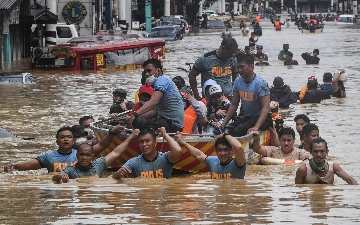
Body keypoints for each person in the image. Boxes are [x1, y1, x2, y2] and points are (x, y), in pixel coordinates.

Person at [3, 125, 125, 173]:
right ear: (57, 141)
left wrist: (111, 133)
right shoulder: (48, 157)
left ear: (73, 140)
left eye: (69, 137)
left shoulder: (83, 154)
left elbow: (102, 146)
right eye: (62, 137)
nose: (66, 140)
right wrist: (12, 166)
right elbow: (27, 165)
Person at [52, 129, 140, 182]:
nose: (84, 157)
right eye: (81, 155)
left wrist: (131, 137)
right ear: (77, 156)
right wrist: (59, 177)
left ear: (92, 157)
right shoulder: (70, 170)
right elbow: (54, 178)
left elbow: (115, 153)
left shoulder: (99, 164)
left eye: (87, 155)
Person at [221, 53, 272, 137]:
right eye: (238, 67)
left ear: (251, 67)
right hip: (248, 117)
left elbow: (266, 107)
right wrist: (223, 124)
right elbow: (234, 104)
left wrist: (256, 127)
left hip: (264, 118)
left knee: (239, 130)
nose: (239, 70)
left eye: (242, 67)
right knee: (229, 129)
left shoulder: (260, 83)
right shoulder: (238, 81)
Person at [129, 58, 184, 133]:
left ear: (158, 71)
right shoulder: (159, 83)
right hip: (167, 122)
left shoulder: (162, 80)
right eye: (145, 72)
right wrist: (135, 116)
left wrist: (135, 114)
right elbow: (155, 111)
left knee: (138, 122)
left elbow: (153, 102)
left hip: (173, 125)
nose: (146, 74)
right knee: (138, 119)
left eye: (149, 70)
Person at [112, 127, 182, 179]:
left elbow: (178, 151)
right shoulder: (134, 162)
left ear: (155, 142)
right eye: (141, 142)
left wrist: (165, 135)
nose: (144, 144)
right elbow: (113, 177)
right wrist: (119, 174)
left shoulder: (165, 158)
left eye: (147, 141)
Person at [174, 132, 246, 179]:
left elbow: (239, 148)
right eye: (219, 150)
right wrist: (183, 142)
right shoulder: (213, 161)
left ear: (231, 150)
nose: (222, 153)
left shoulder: (238, 163)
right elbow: (198, 155)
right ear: (216, 151)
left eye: (225, 150)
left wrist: (225, 134)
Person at [188, 37, 238, 102]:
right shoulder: (205, 59)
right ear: (223, 48)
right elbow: (192, 75)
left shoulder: (233, 59)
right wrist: (196, 95)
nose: (230, 56)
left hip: (228, 98)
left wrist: (235, 94)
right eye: (229, 53)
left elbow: (236, 77)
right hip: (211, 99)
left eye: (232, 54)